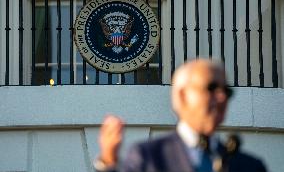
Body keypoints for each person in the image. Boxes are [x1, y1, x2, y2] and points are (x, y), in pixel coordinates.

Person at [94, 59, 266, 172]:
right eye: (212, 88)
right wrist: (108, 162)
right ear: (182, 95)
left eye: (226, 91)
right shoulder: (148, 157)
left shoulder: (250, 166)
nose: (221, 97)